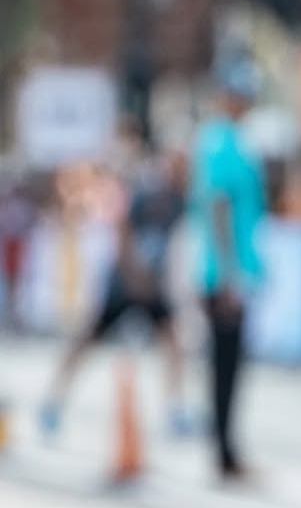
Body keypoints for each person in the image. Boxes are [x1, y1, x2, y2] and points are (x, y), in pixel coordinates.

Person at [40, 144, 190, 438]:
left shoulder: (180, 200)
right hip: (124, 283)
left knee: (172, 342)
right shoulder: (149, 193)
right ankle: (53, 401)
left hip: (151, 284)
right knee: (87, 340)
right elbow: (123, 231)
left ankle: (175, 409)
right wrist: (133, 276)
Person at [188, 59, 266, 480]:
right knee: (224, 364)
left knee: (231, 364)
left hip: (233, 269)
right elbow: (217, 205)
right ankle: (223, 452)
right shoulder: (221, 141)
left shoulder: (233, 139)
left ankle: (226, 447)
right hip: (224, 274)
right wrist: (231, 273)